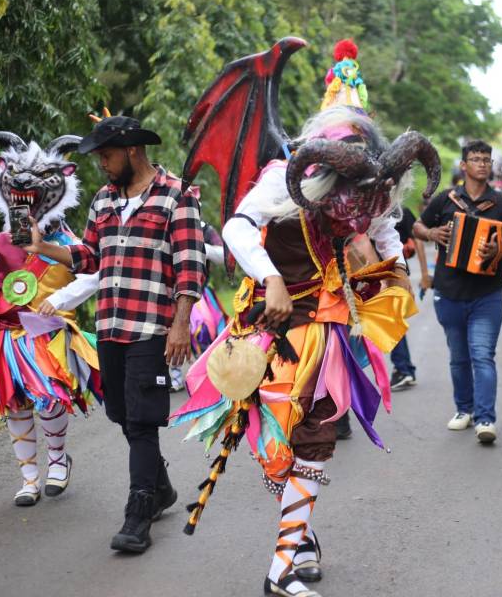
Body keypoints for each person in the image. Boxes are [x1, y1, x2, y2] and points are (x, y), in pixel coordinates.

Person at [172, 39, 441, 597]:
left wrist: (386, 293)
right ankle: (301, 534)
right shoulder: (282, 175)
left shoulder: (372, 191)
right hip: (266, 328)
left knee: (316, 438)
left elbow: (385, 234)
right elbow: (239, 228)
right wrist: (270, 276)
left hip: (327, 330)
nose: (362, 208)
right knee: (272, 447)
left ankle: (282, 567)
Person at [25, 113, 206, 553]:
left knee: (142, 422)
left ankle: (139, 512)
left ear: (131, 151)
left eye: (106, 155)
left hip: (151, 327)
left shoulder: (176, 195)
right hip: (109, 324)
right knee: (124, 416)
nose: (101, 165)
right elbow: (90, 255)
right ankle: (160, 487)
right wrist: (43, 247)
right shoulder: (104, 201)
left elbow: (190, 265)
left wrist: (179, 324)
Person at [0, 102, 101, 506]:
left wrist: (62, 298)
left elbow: (96, 272)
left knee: (50, 398)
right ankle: (29, 477)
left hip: (48, 336)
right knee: (14, 403)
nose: (26, 190)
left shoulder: (68, 242)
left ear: (61, 182)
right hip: (7, 336)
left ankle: (56, 462)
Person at [413, 139, 502, 444]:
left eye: (486, 160)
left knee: (482, 355)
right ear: (463, 166)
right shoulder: (446, 200)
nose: (482, 164)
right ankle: (464, 410)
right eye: (475, 159)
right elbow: (418, 228)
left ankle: (485, 418)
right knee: (458, 357)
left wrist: (497, 249)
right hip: (448, 292)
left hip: (487, 293)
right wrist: (433, 232)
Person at [389, 205, 430, 391]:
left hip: (394, 275)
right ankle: (404, 368)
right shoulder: (365, 206)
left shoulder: (400, 211)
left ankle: (403, 369)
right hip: (369, 274)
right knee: (390, 323)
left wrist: (425, 274)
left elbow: (418, 240)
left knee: (392, 322)